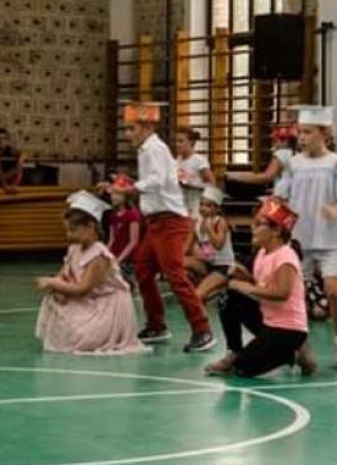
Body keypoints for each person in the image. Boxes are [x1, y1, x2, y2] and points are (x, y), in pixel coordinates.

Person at [104, 101, 216, 353]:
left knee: (175, 275)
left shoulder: (154, 148)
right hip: (155, 222)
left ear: (146, 128)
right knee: (143, 271)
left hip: (169, 222)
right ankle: (157, 325)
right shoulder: (148, 149)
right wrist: (125, 184)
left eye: (131, 128)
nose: (128, 134)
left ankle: (202, 330)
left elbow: (157, 179)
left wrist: (131, 188)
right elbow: (154, 180)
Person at [276, 105, 337, 367]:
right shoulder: (293, 164)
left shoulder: (336, 163)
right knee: (294, 294)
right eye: (300, 132)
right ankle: (297, 346)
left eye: (308, 132)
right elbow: (281, 198)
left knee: (334, 290)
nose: (301, 137)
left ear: (324, 134)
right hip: (300, 238)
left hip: (331, 238)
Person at [206, 196, 317, 377]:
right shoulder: (262, 254)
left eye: (258, 225)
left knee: (243, 368)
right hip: (269, 321)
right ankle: (234, 351)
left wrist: (247, 287)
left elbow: (282, 293)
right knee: (228, 297)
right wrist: (246, 277)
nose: (253, 228)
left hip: (288, 329)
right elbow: (262, 285)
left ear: (276, 231)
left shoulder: (286, 255)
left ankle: (294, 352)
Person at [34, 191, 148, 355]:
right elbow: (63, 273)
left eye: (73, 230)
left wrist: (53, 283)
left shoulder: (99, 255)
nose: (69, 235)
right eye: (67, 230)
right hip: (91, 300)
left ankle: (94, 334)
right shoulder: (74, 249)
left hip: (106, 305)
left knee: (81, 334)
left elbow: (83, 289)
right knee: (52, 298)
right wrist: (56, 285)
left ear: (90, 226)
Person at [184, 186, 235, 302]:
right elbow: (186, 248)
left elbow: (219, 245)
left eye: (208, 206)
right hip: (208, 263)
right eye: (201, 204)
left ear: (217, 209)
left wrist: (210, 231)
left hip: (223, 267)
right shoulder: (197, 223)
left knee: (197, 296)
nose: (203, 208)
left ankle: (214, 290)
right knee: (179, 262)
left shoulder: (220, 222)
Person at [225, 123, 297, 195]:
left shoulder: (282, 153)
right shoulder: (295, 153)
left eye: (275, 140)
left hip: (284, 197)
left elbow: (267, 177)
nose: (273, 143)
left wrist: (233, 176)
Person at [105, 175, 143, 286]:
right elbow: (112, 239)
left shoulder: (132, 215)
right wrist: (106, 253)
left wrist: (120, 259)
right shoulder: (113, 215)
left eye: (118, 194)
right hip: (116, 255)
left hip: (129, 258)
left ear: (126, 196)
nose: (113, 197)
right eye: (113, 194)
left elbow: (133, 241)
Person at [175, 127, 215, 220]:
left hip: (197, 206)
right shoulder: (178, 160)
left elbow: (212, 185)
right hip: (182, 206)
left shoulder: (199, 161)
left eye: (181, 141)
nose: (177, 144)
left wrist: (192, 184)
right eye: (176, 141)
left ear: (191, 142)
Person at [0, 127, 26, 193]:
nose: (1, 141)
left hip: (9, 178)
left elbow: (23, 154)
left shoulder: (10, 148)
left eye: (4, 138)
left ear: (7, 140)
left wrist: (20, 162)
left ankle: (13, 187)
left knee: (19, 167)